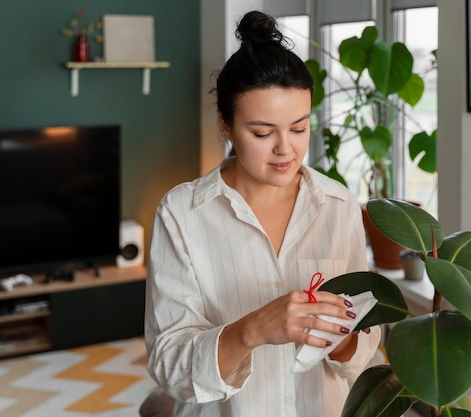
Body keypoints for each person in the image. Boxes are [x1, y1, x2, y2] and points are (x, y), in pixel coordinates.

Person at [144, 10, 381, 417]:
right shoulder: (182, 212)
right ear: (226, 126)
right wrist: (253, 329)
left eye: (299, 127)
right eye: (262, 132)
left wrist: (338, 337)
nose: (285, 149)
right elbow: (169, 364)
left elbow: (362, 349)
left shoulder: (338, 205)